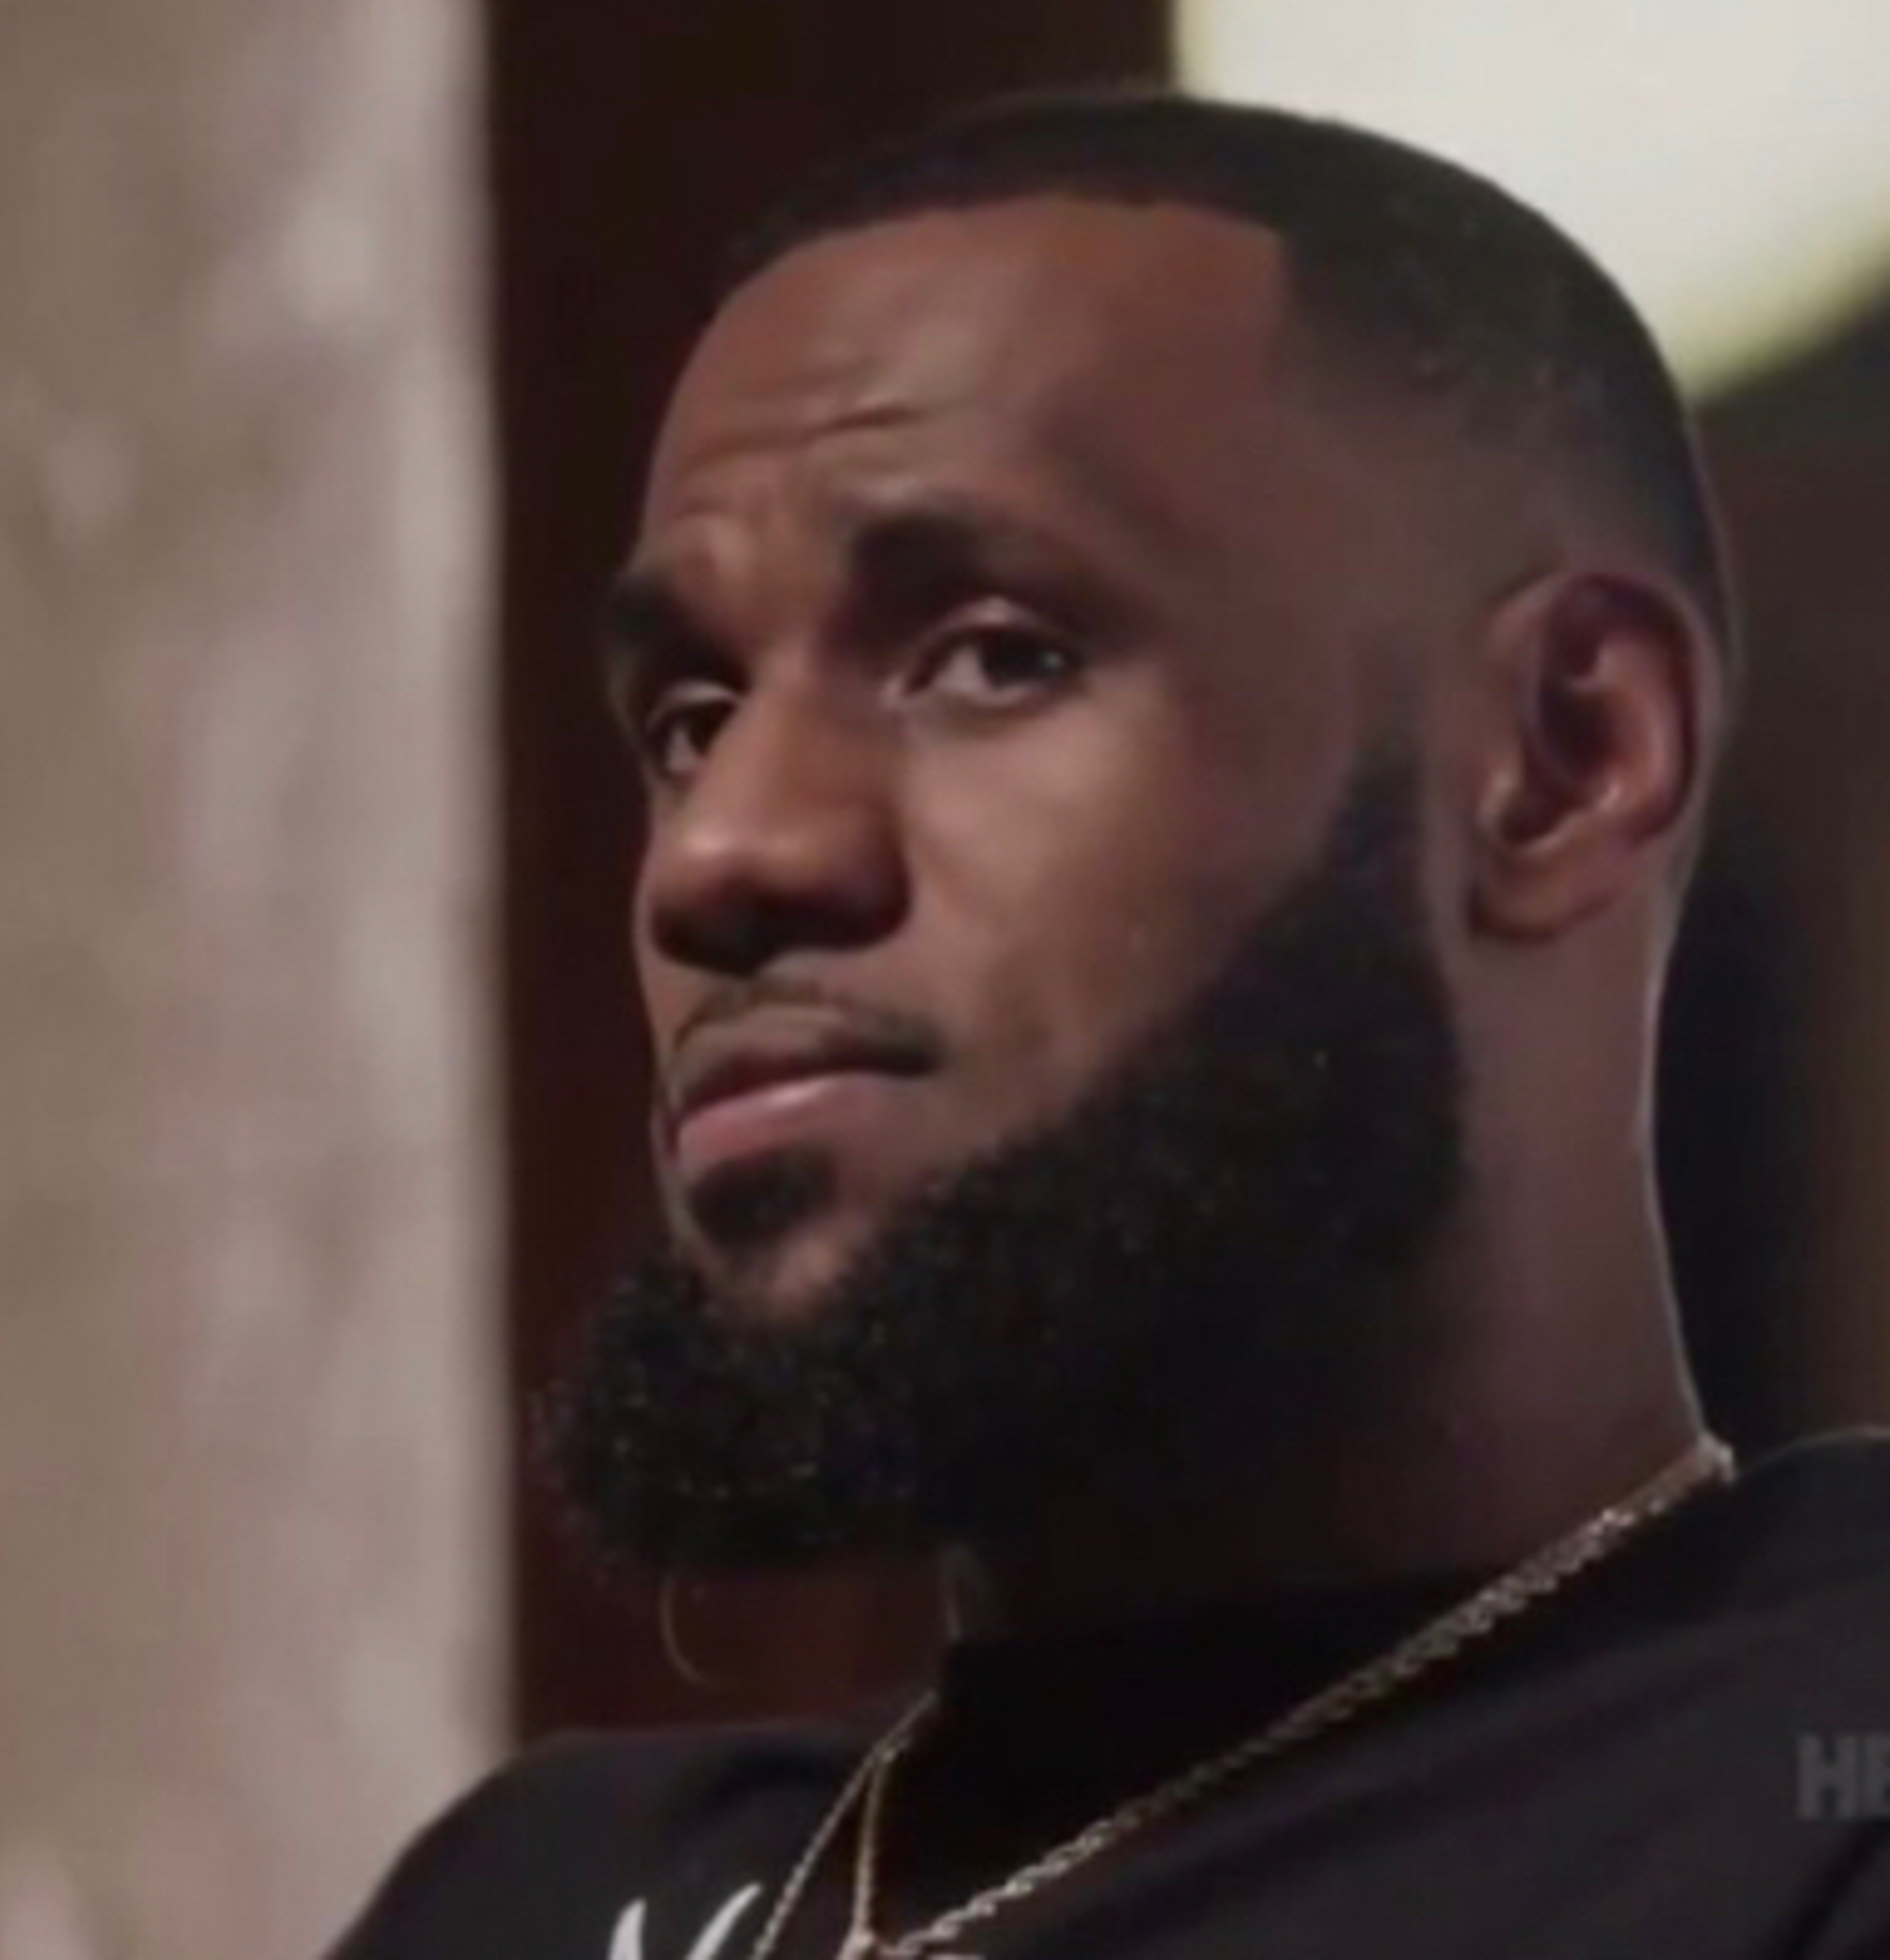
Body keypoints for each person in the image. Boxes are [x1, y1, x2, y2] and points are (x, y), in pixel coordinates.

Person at [327, 90, 1890, 1960]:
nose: (722, 853)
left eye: (995, 656)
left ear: (1566, 758)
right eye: (691, 721)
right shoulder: (535, 1895)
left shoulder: (1820, 1769)